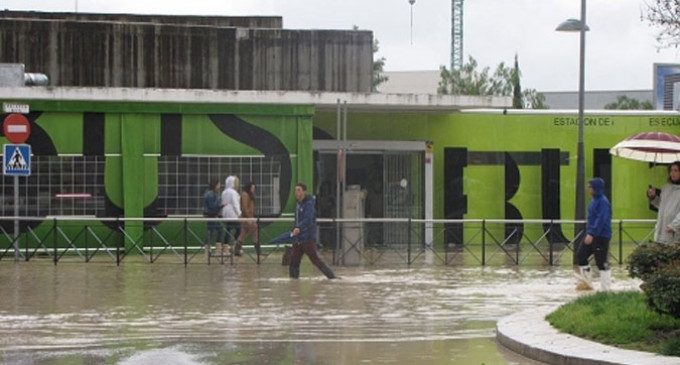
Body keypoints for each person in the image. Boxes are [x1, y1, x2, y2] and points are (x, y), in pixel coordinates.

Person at [288, 182, 336, 279]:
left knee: (314, 259)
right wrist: (294, 230)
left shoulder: (308, 204)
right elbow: (297, 220)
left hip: (307, 238)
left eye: (299, 190)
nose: (296, 193)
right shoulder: (298, 205)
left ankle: (332, 277)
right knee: (293, 260)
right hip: (298, 238)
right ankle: (293, 283)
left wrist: (299, 227)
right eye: (295, 190)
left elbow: (308, 219)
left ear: (304, 192)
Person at [575, 177, 612, 291]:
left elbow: (601, 219)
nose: (588, 188)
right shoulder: (594, 201)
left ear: (595, 188)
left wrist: (592, 233)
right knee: (581, 255)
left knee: (601, 261)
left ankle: (606, 288)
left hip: (600, 236)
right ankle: (587, 284)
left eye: (590, 186)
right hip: (591, 233)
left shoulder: (603, 202)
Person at [646, 161, 680, 245]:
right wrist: (653, 197)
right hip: (661, 229)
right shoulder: (666, 187)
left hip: (674, 232)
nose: (672, 173)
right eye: (671, 170)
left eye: (676, 170)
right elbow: (661, 205)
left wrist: (674, 225)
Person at [236, 181, 263, 258]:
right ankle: (258, 249)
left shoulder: (248, 195)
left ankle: (236, 249)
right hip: (247, 218)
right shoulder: (245, 195)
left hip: (248, 217)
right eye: (253, 188)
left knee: (243, 233)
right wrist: (249, 217)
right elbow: (244, 208)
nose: (254, 189)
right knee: (255, 231)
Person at [203, 179, 223, 260]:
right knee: (215, 230)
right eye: (218, 185)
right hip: (211, 215)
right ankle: (214, 248)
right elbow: (212, 206)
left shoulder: (210, 194)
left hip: (212, 214)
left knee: (212, 230)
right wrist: (220, 206)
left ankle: (210, 248)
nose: (219, 186)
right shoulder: (211, 195)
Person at [221, 175, 242, 256]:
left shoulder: (224, 192)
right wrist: (239, 214)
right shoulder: (233, 192)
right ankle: (236, 247)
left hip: (225, 213)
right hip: (233, 213)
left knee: (228, 229)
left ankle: (225, 247)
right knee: (238, 229)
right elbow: (235, 204)